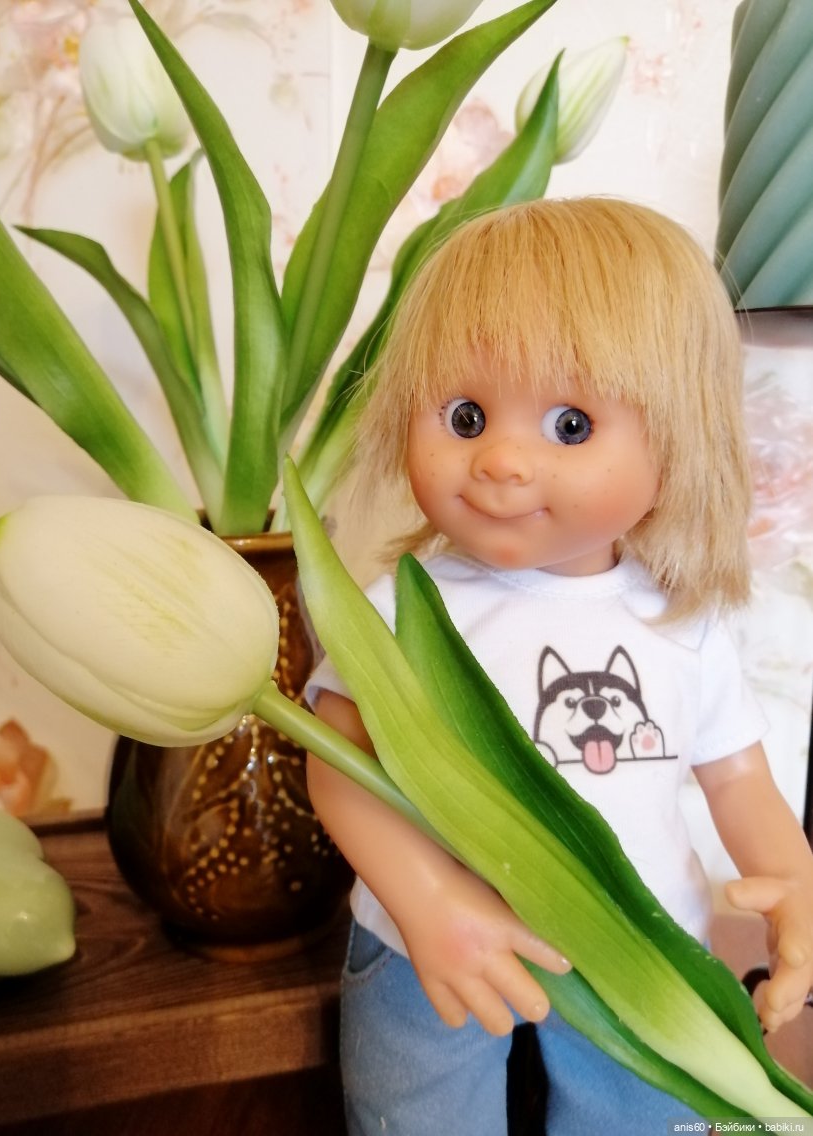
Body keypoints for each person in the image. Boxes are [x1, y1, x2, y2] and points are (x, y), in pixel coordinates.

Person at [304, 197, 813, 1136]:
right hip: (430, 945)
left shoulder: (679, 622)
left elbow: (739, 776)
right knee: (413, 1115)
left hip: (637, 946)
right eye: (464, 415)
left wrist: (792, 875)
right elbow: (338, 763)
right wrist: (426, 899)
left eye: (570, 424)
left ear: (677, 435)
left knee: (643, 1118)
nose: (501, 460)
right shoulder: (402, 606)